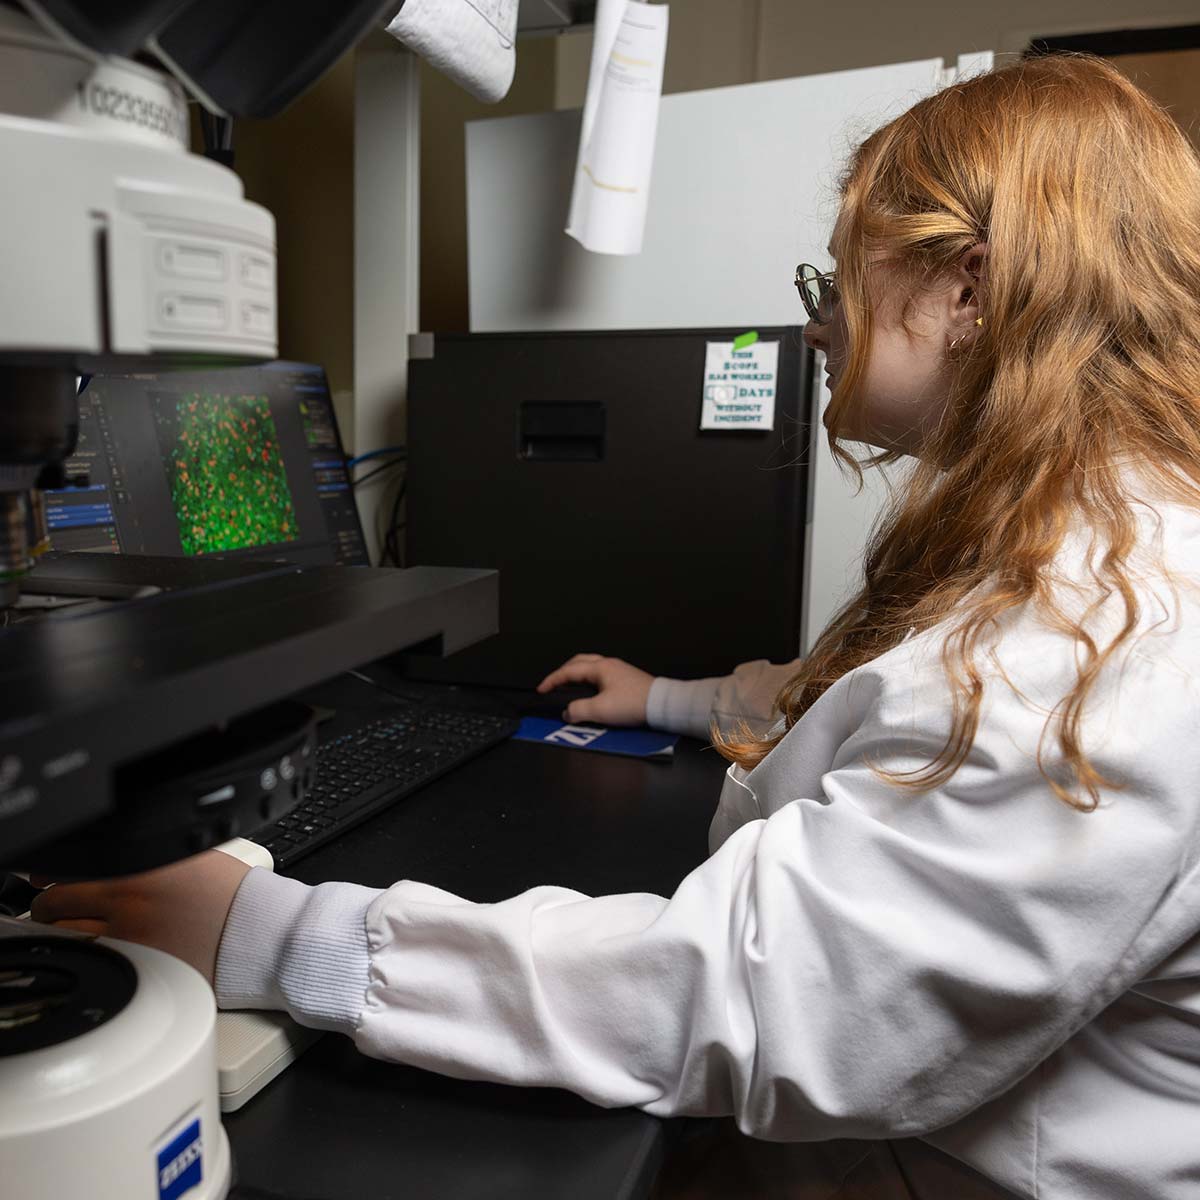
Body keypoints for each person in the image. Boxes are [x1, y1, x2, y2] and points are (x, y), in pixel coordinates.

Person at [32, 54, 1200, 1198]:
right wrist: (674, 702)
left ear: (969, 289)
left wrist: (267, 933)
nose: (818, 331)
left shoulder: (1103, 636)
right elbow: (881, 713)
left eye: (834, 287)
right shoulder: (1091, 551)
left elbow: (761, 1001)